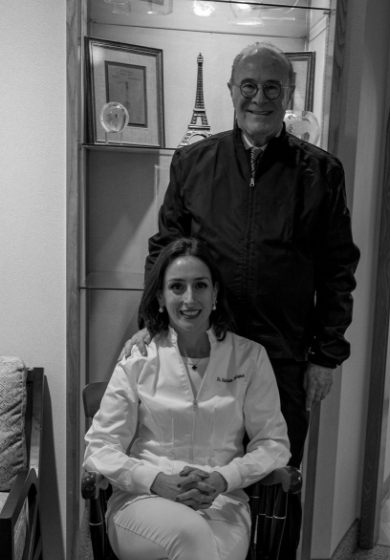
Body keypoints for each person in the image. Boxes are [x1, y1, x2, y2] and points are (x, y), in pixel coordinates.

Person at [122, 42, 360, 558]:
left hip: (284, 354)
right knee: (200, 472)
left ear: (290, 94)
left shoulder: (322, 173)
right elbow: (165, 252)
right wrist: (153, 325)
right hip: (204, 350)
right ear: (232, 91)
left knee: (276, 480)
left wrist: (325, 355)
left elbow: (338, 270)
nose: (259, 97)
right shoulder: (192, 163)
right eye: (248, 86)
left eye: (272, 86)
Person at [85, 238, 290, 560]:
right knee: (193, 538)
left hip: (222, 505)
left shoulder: (250, 358)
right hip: (141, 502)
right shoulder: (139, 359)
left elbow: (273, 444)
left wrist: (225, 479)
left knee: (204, 545)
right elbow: (100, 448)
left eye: (200, 285)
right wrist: (155, 481)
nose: (189, 299)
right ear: (160, 297)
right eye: (177, 287)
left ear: (216, 292)